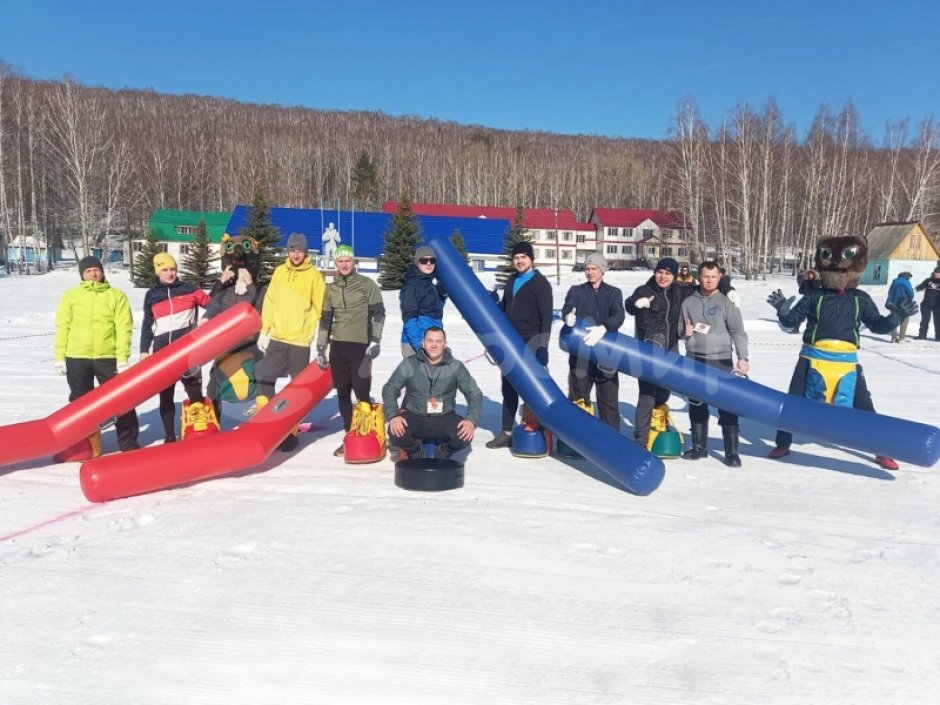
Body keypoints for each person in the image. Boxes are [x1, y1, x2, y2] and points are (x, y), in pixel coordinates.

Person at [767, 234, 917, 470]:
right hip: (811, 358)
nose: (838, 267)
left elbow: (877, 326)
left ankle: (881, 450)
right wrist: (783, 312)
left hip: (846, 363)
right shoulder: (814, 296)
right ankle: (783, 443)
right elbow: (791, 323)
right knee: (792, 402)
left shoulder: (860, 299)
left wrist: (895, 318)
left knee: (865, 407)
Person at [54, 255, 140, 453]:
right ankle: (84, 445)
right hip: (77, 356)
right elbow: (63, 327)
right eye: (88, 271)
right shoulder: (71, 296)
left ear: (102, 272)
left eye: (96, 270)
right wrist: (60, 357)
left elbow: (124, 329)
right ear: (82, 275)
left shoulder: (116, 296)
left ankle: (129, 444)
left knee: (120, 399)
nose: (93, 274)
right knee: (80, 403)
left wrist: (122, 358)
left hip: (107, 357)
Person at [316, 243, 385, 456]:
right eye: (340, 261)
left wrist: (375, 339)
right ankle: (349, 435)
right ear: (335, 263)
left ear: (354, 262)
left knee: (361, 391)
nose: (344, 265)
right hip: (338, 347)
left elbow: (379, 313)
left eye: (348, 261)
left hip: (360, 347)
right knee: (343, 392)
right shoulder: (331, 289)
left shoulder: (367, 284)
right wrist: (321, 346)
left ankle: (368, 434)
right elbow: (325, 319)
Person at [680, 261, 750, 466]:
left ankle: (732, 453)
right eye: (705, 276)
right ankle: (699, 448)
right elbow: (680, 330)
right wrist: (684, 332)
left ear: (719, 277)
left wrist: (743, 357)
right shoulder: (688, 302)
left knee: (727, 407)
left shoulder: (727, 302)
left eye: (713, 276)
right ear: (699, 277)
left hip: (721, 360)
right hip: (694, 359)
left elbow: (738, 331)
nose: (709, 280)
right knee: (696, 405)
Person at [254, 233, 326, 434]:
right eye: (293, 250)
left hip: (299, 340)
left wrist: (325, 336)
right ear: (288, 251)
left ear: (305, 252)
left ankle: (293, 423)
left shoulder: (314, 276)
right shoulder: (279, 272)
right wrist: (264, 331)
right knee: (265, 375)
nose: (296, 255)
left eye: (300, 251)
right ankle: (269, 415)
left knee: (297, 385)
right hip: (277, 337)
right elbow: (270, 302)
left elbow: (322, 307)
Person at [485, 241, 553, 449]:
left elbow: (546, 317)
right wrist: (493, 303)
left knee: (531, 388)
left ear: (531, 258)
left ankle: (536, 428)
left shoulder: (541, 284)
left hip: (530, 342)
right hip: (509, 342)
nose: (519, 261)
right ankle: (506, 432)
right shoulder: (511, 281)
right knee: (508, 388)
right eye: (516, 257)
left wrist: (543, 346)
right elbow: (506, 309)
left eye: (523, 256)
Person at [141, 253, 214, 442]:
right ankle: (169, 436)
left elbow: (213, 305)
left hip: (188, 352)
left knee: (194, 392)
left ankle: (199, 433)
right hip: (162, 353)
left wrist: (206, 320)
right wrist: (144, 350)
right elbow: (147, 324)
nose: (170, 273)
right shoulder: (151, 295)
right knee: (166, 395)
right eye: (165, 270)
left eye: (172, 269)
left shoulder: (189, 289)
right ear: (157, 272)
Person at [624, 257, 695, 450]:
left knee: (664, 390)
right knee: (647, 395)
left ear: (674, 276)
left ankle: (657, 425)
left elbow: (704, 286)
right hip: (648, 349)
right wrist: (637, 303)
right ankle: (641, 440)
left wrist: (726, 286)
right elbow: (629, 305)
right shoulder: (645, 290)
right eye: (660, 272)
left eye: (668, 273)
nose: (663, 277)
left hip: (671, 349)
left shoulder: (678, 292)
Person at [382, 326, 482, 461]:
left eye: (438, 341)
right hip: (415, 416)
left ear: (445, 344)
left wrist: (471, 420)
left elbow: (474, 393)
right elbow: (390, 388)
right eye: (430, 341)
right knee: (395, 432)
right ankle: (416, 452)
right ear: (423, 343)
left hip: (444, 417)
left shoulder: (455, 366)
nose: (434, 345)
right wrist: (394, 416)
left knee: (465, 435)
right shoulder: (410, 363)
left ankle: (443, 452)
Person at [560, 252, 624, 430]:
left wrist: (605, 327)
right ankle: (575, 439)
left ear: (602, 270)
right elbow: (568, 306)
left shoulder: (613, 293)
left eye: (594, 268)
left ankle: (610, 439)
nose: (590, 272)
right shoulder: (577, 291)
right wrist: (567, 316)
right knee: (578, 400)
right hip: (581, 355)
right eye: (587, 269)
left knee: (609, 404)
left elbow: (619, 315)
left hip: (607, 356)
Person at [399, 245, 447, 357]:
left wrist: (441, 296)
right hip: (417, 343)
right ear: (417, 263)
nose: (429, 264)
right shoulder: (411, 286)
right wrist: (420, 345)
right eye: (424, 261)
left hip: (432, 340)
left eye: (432, 260)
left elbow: (433, 310)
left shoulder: (428, 284)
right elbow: (409, 318)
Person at [886, 271, 915, 343]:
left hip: (892, 302)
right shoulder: (906, 282)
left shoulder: (895, 282)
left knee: (894, 319)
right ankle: (902, 338)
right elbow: (910, 293)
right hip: (903, 302)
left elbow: (889, 292)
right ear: (907, 276)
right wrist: (909, 299)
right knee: (905, 319)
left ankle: (893, 338)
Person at [915, 267, 940, 340]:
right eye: (935, 272)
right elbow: (920, 286)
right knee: (924, 320)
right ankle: (922, 335)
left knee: (938, 321)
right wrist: (913, 290)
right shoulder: (928, 280)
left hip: (938, 305)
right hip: (926, 304)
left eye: (938, 273)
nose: (936, 274)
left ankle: (938, 337)